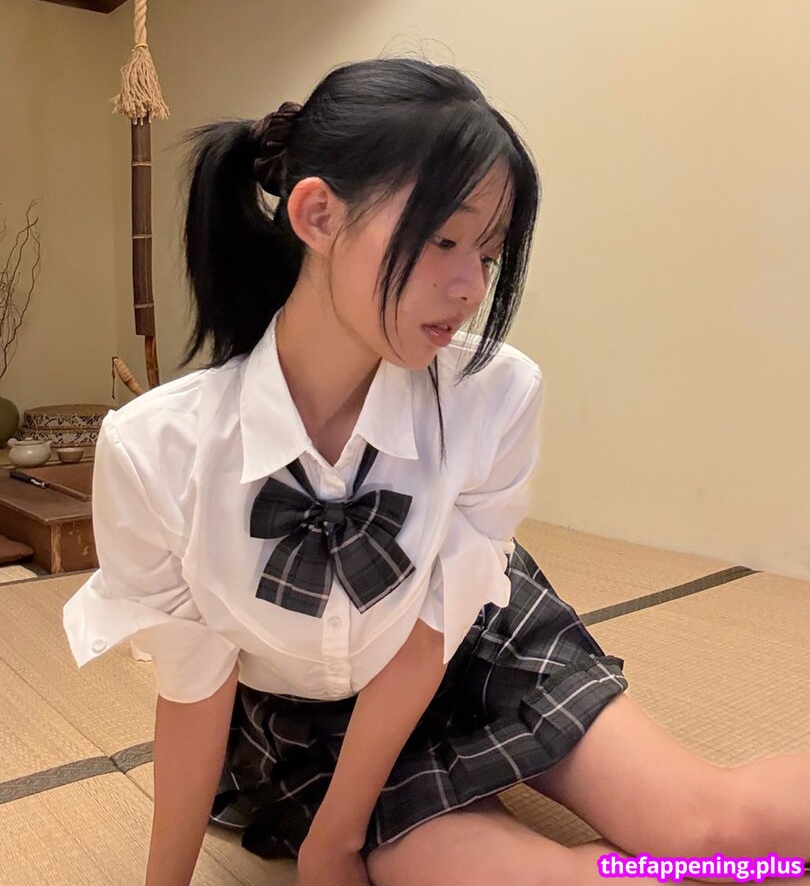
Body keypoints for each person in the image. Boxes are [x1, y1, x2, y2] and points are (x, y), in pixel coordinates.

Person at [63, 58, 810, 886]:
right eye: (443, 240)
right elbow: (196, 694)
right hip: (320, 728)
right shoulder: (156, 451)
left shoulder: (494, 393)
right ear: (317, 215)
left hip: (474, 644)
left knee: (715, 835)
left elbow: (432, 633)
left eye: (488, 253)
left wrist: (334, 843)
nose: (470, 287)